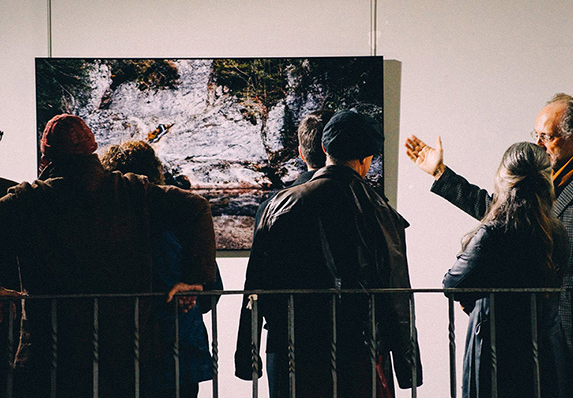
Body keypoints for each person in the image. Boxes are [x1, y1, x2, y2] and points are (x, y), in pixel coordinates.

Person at [0, 114, 217, 397]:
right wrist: (195, 278)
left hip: (51, 354)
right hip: (128, 354)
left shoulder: (26, 200)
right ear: (93, 147)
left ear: (46, 157)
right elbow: (197, 207)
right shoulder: (132, 190)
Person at [405, 93, 573, 394]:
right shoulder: (544, 180)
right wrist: (441, 174)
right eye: (535, 135)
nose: (538, 144)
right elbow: (500, 212)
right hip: (527, 341)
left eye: (546, 137)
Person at [240, 110, 422, 397]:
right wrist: (407, 365)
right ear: (367, 158)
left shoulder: (281, 203)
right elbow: (397, 291)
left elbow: (255, 285)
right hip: (358, 349)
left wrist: (246, 354)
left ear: (325, 149)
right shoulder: (381, 211)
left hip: (290, 346)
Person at [443, 142, 573, 397]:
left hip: (497, 350)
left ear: (504, 179)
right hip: (545, 346)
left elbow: (452, 284)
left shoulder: (493, 232)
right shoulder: (556, 231)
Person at [100, 140, 222, 398]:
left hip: (119, 351)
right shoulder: (184, 217)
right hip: (178, 349)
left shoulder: (106, 223)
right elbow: (211, 292)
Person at [234, 110, 332, 394]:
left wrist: (247, 353)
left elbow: (255, 280)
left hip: (285, 336)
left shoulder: (274, 204)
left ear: (302, 153)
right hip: (347, 337)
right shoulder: (358, 200)